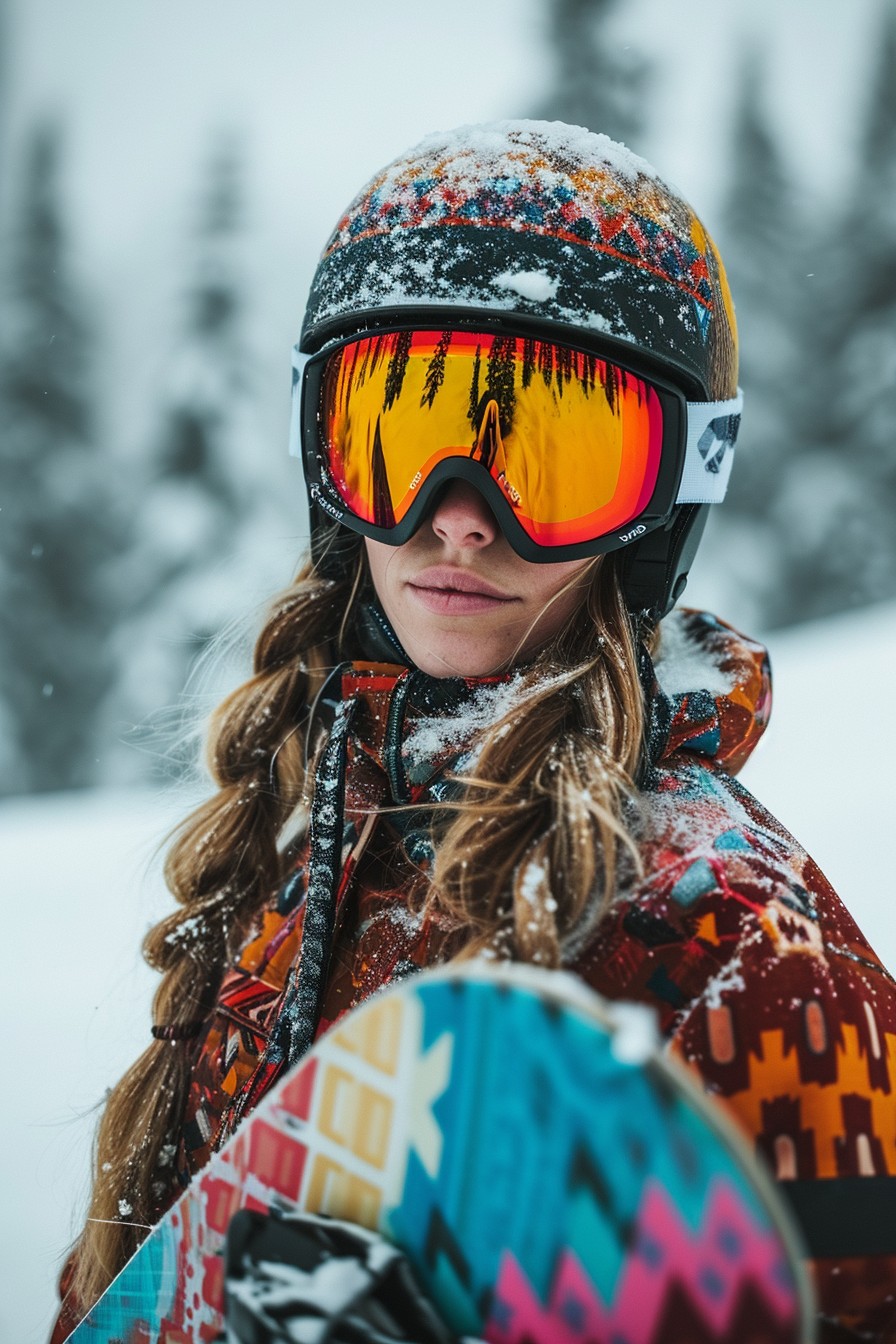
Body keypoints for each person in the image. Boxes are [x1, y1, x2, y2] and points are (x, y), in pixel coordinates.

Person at [53, 121, 896, 1342]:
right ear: (324, 454)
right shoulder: (329, 845)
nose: (457, 520)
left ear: (667, 496)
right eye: (400, 433)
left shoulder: (733, 937)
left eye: (553, 457)